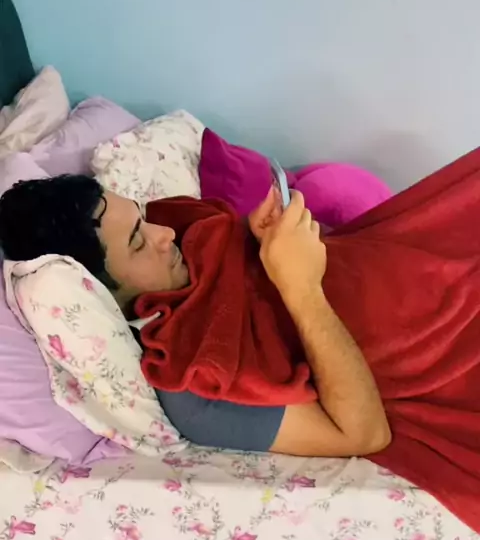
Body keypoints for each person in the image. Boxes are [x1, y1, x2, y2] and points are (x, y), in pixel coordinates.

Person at [0, 175, 390, 458]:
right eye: (138, 242)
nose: (165, 233)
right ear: (101, 292)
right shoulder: (192, 383)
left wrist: (255, 237)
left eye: (142, 217)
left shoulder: (195, 234)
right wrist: (302, 289)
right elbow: (363, 435)